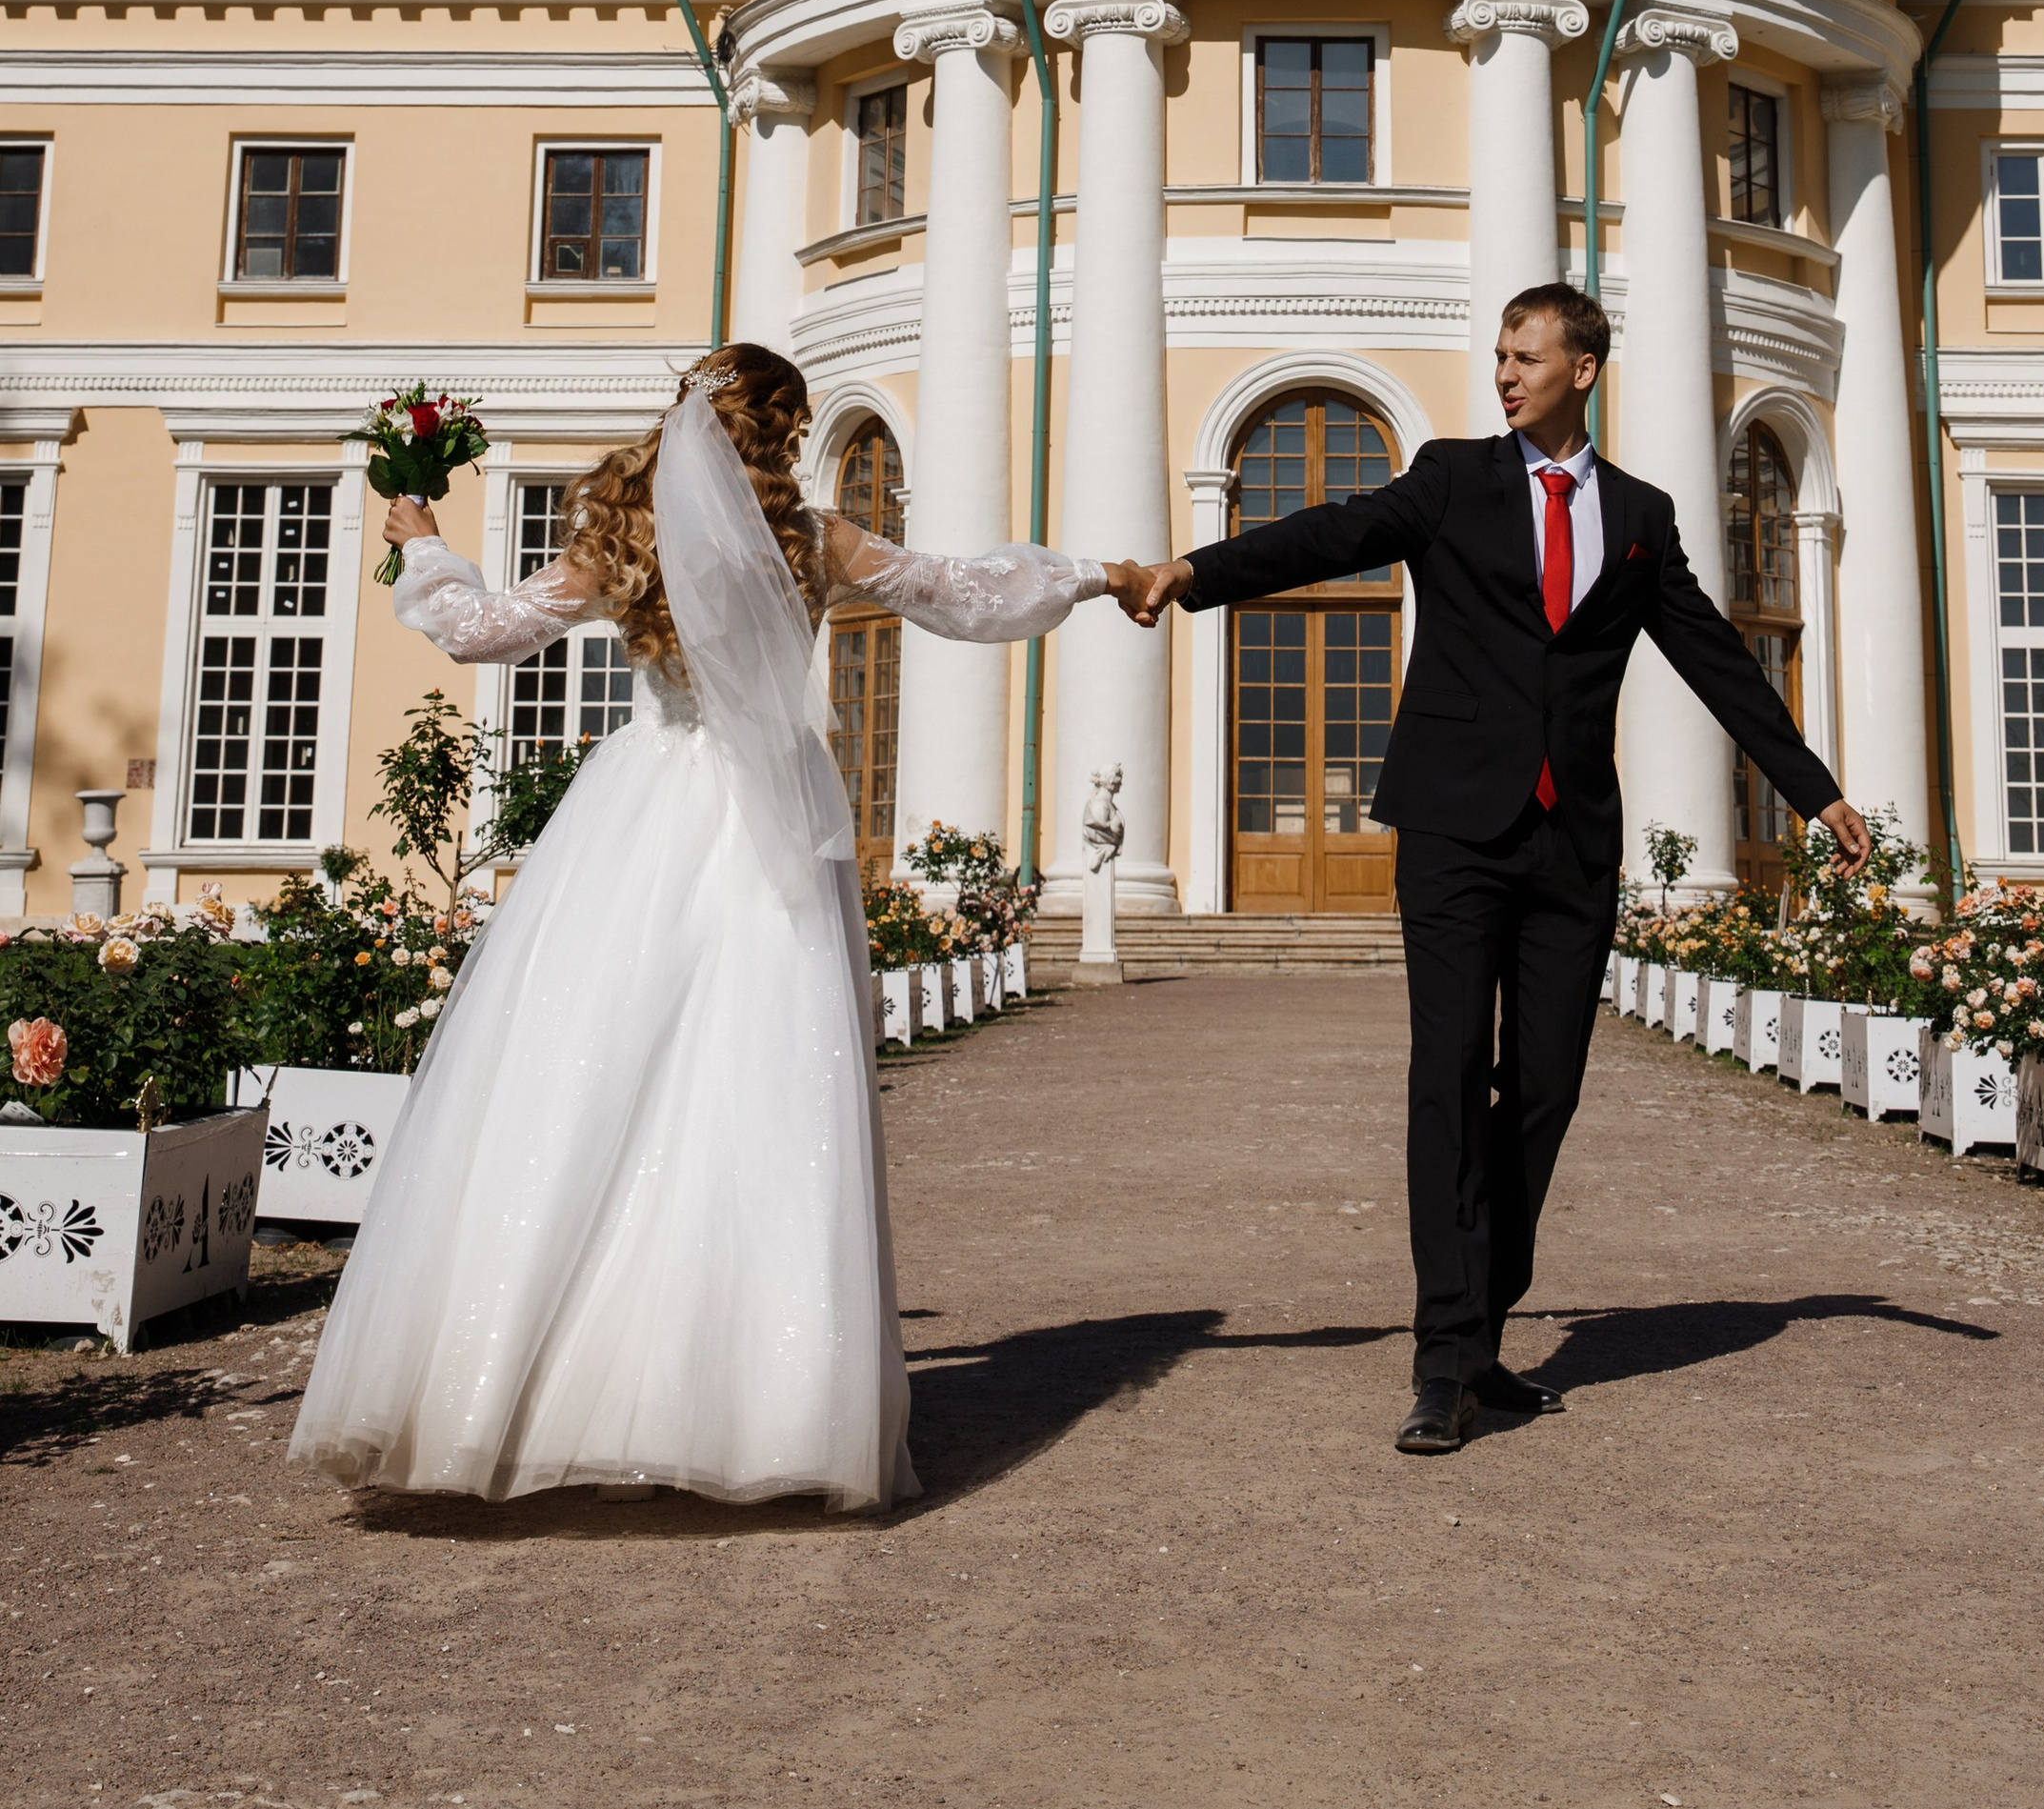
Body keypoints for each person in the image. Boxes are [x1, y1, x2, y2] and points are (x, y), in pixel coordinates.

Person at [290, 342, 1115, 1509]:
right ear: (781, 435)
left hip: (645, 810)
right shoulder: (814, 538)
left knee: (582, 1087)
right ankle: (762, 1406)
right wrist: (1096, 575)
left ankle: (513, 1388)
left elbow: (479, 630)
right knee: (760, 1089)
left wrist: (418, 535)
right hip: (770, 817)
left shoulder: (622, 540)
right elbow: (964, 592)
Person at [1121, 285, 1869, 1457]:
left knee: (1546, 1091)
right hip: (1455, 829)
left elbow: (1713, 656)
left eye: (1526, 358)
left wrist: (1810, 786)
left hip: (1571, 839)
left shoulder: (1636, 513)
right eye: (1500, 356)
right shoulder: (1451, 478)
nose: (1505, 375)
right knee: (1447, 1076)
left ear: (1583, 367)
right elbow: (1329, 533)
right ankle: (1444, 1354)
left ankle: (1482, 1324)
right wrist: (1190, 572)